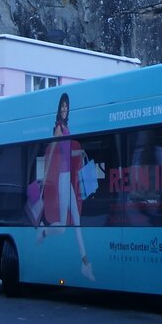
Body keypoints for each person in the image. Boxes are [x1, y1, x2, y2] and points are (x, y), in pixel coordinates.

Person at [38, 93, 95, 281]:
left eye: (66, 106)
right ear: (58, 109)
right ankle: (45, 231)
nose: (64, 109)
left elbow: (67, 154)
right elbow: (53, 151)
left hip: (67, 178)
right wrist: (45, 178)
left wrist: (81, 151)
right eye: (62, 106)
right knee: (62, 227)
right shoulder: (59, 128)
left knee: (77, 219)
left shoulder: (67, 128)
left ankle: (85, 264)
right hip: (62, 178)